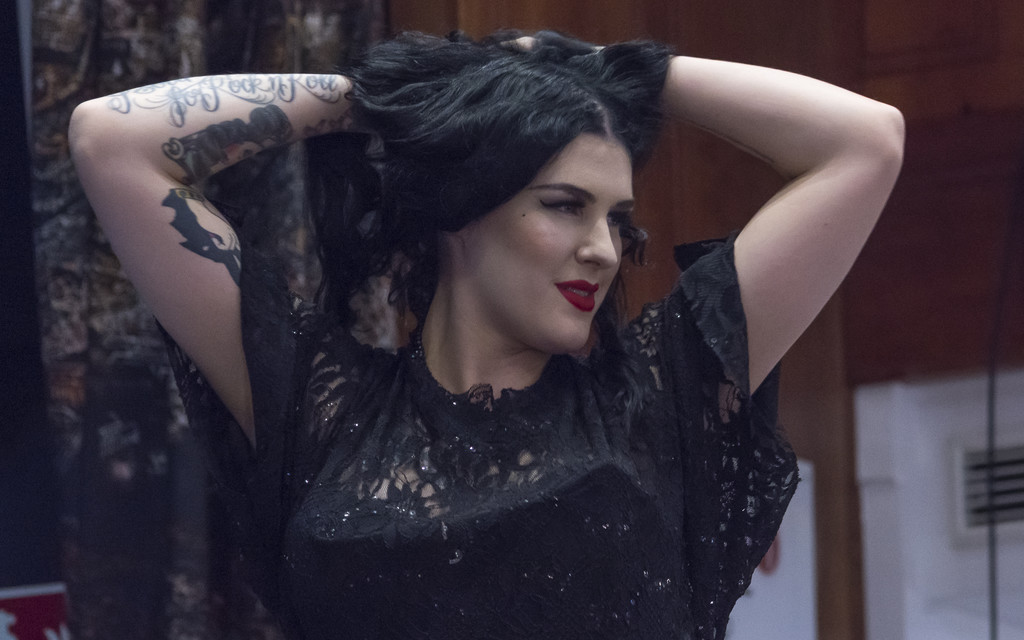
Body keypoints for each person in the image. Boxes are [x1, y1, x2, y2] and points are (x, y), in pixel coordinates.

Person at [69, 30, 904, 640]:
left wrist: (615, 69)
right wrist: (401, 98)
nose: (604, 249)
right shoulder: (322, 408)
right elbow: (113, 143)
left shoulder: (657, 396)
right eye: (565, 206)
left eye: (617, 219)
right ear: (463, 208)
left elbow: (865, 143)